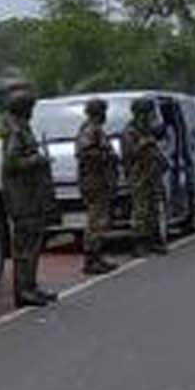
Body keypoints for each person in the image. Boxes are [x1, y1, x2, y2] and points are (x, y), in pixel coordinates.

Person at [1, 83, 58, 307]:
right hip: (22, 198)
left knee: (33, 243)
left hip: (30, 195)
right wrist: (37, 160)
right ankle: (24, 290)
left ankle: (30, 286)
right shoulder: (16, 131)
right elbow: (11, 163)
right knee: (25, 245)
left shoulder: (22, 128)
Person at [76, 97, 119, 275]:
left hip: (100, 180)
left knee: (99, 220)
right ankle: (91, 258)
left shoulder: (96, 129)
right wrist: (106, 156)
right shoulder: (90, 130)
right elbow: (84, 153)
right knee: (95, 220)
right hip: (94, 181)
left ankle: (97, 256)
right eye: (103, 111)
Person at [121, 98, 168, 255]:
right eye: (147, 113)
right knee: (140, 209)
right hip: (138, 175)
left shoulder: (146, 130)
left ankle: (154, 239)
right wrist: (145, 142)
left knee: (153, 207)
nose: (150, 116)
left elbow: (155, 148)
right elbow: (130, 153)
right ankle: (139, 242)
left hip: (152, 173)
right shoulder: (130, 131)